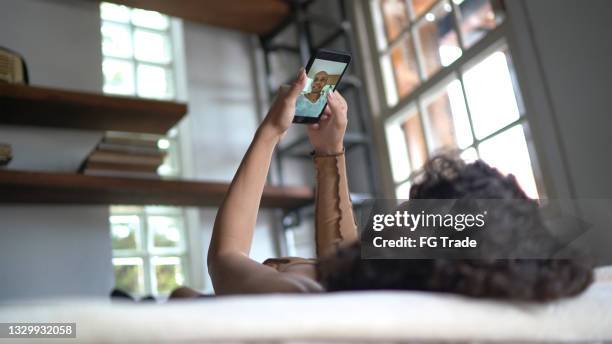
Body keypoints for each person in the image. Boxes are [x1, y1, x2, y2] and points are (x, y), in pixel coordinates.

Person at [171, 68, 593, 301]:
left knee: (181, 295)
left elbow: (226, 260)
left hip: (202, 313)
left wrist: (270, 131)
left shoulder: (304, 296)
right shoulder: (409, 289)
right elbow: (344, 261)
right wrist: (329, 152)